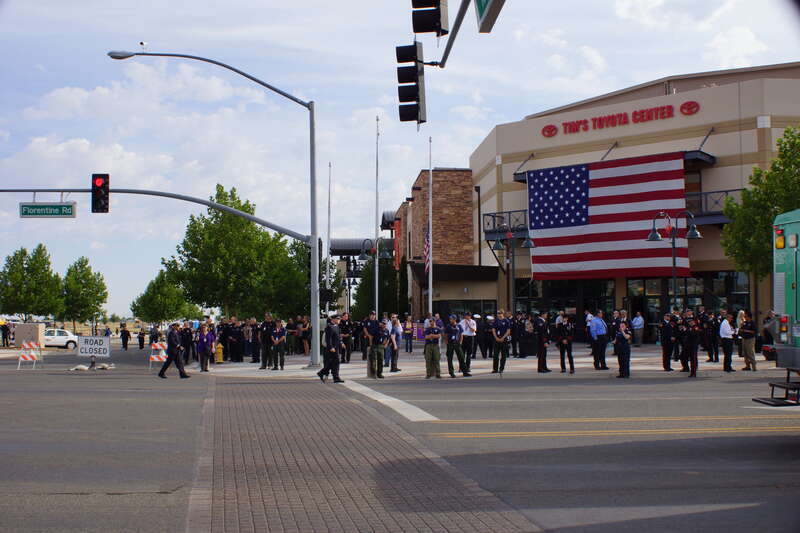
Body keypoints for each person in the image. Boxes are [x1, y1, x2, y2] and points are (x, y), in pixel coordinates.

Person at [318, 314, 344, 383]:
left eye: (339, 319)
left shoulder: (337, 326)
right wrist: (331, 347)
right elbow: (328, 339)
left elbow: (339, 336)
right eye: (338, 319)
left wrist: (341, 343)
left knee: (334, 362)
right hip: (332, 348)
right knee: (335, 362)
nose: (339, 320)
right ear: (333, 319)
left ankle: (323, 373)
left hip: (336, 347)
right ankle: (335, 377)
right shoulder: (329, 327)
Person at [363, 311, 383, 379]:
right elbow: (365, 329)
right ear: (369, 315)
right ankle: (373, 373)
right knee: (372, 357)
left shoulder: (377, 322)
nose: (373, 316)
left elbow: (380, 328)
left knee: (380, 358)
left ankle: (379, 373)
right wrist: (368, 336)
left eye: (374, 315)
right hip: (370, 339)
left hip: (376, 340)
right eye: (371, 315)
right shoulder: (367, 321)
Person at [492, 310, 511, 374]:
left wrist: (503, 338)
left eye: (500, 313)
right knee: (495, 355)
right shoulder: (495, 321)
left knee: (503, 355)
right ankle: (495, 369)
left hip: (504, 339)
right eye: (498, 313)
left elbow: (508, 331)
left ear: (503, 314)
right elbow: (493, 330)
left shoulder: (506, 321)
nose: (499, 314)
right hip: (496, 340)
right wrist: (496, 338)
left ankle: (501, 368)